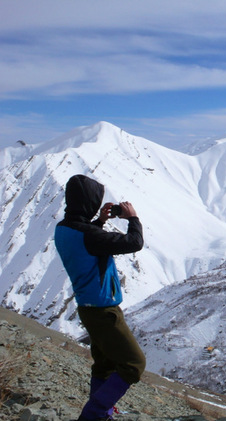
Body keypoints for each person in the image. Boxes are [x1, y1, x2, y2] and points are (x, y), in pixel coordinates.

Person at [54, 174, 146, 421]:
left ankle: (101, 414)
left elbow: (84, 237)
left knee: (104, 364)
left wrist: (100, 221)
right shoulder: (88, 235)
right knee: (133, 365)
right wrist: (133, 218)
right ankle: (94, 414)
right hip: (104, 311)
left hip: (87, 307)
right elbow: (134, 243)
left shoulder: (64, 228)